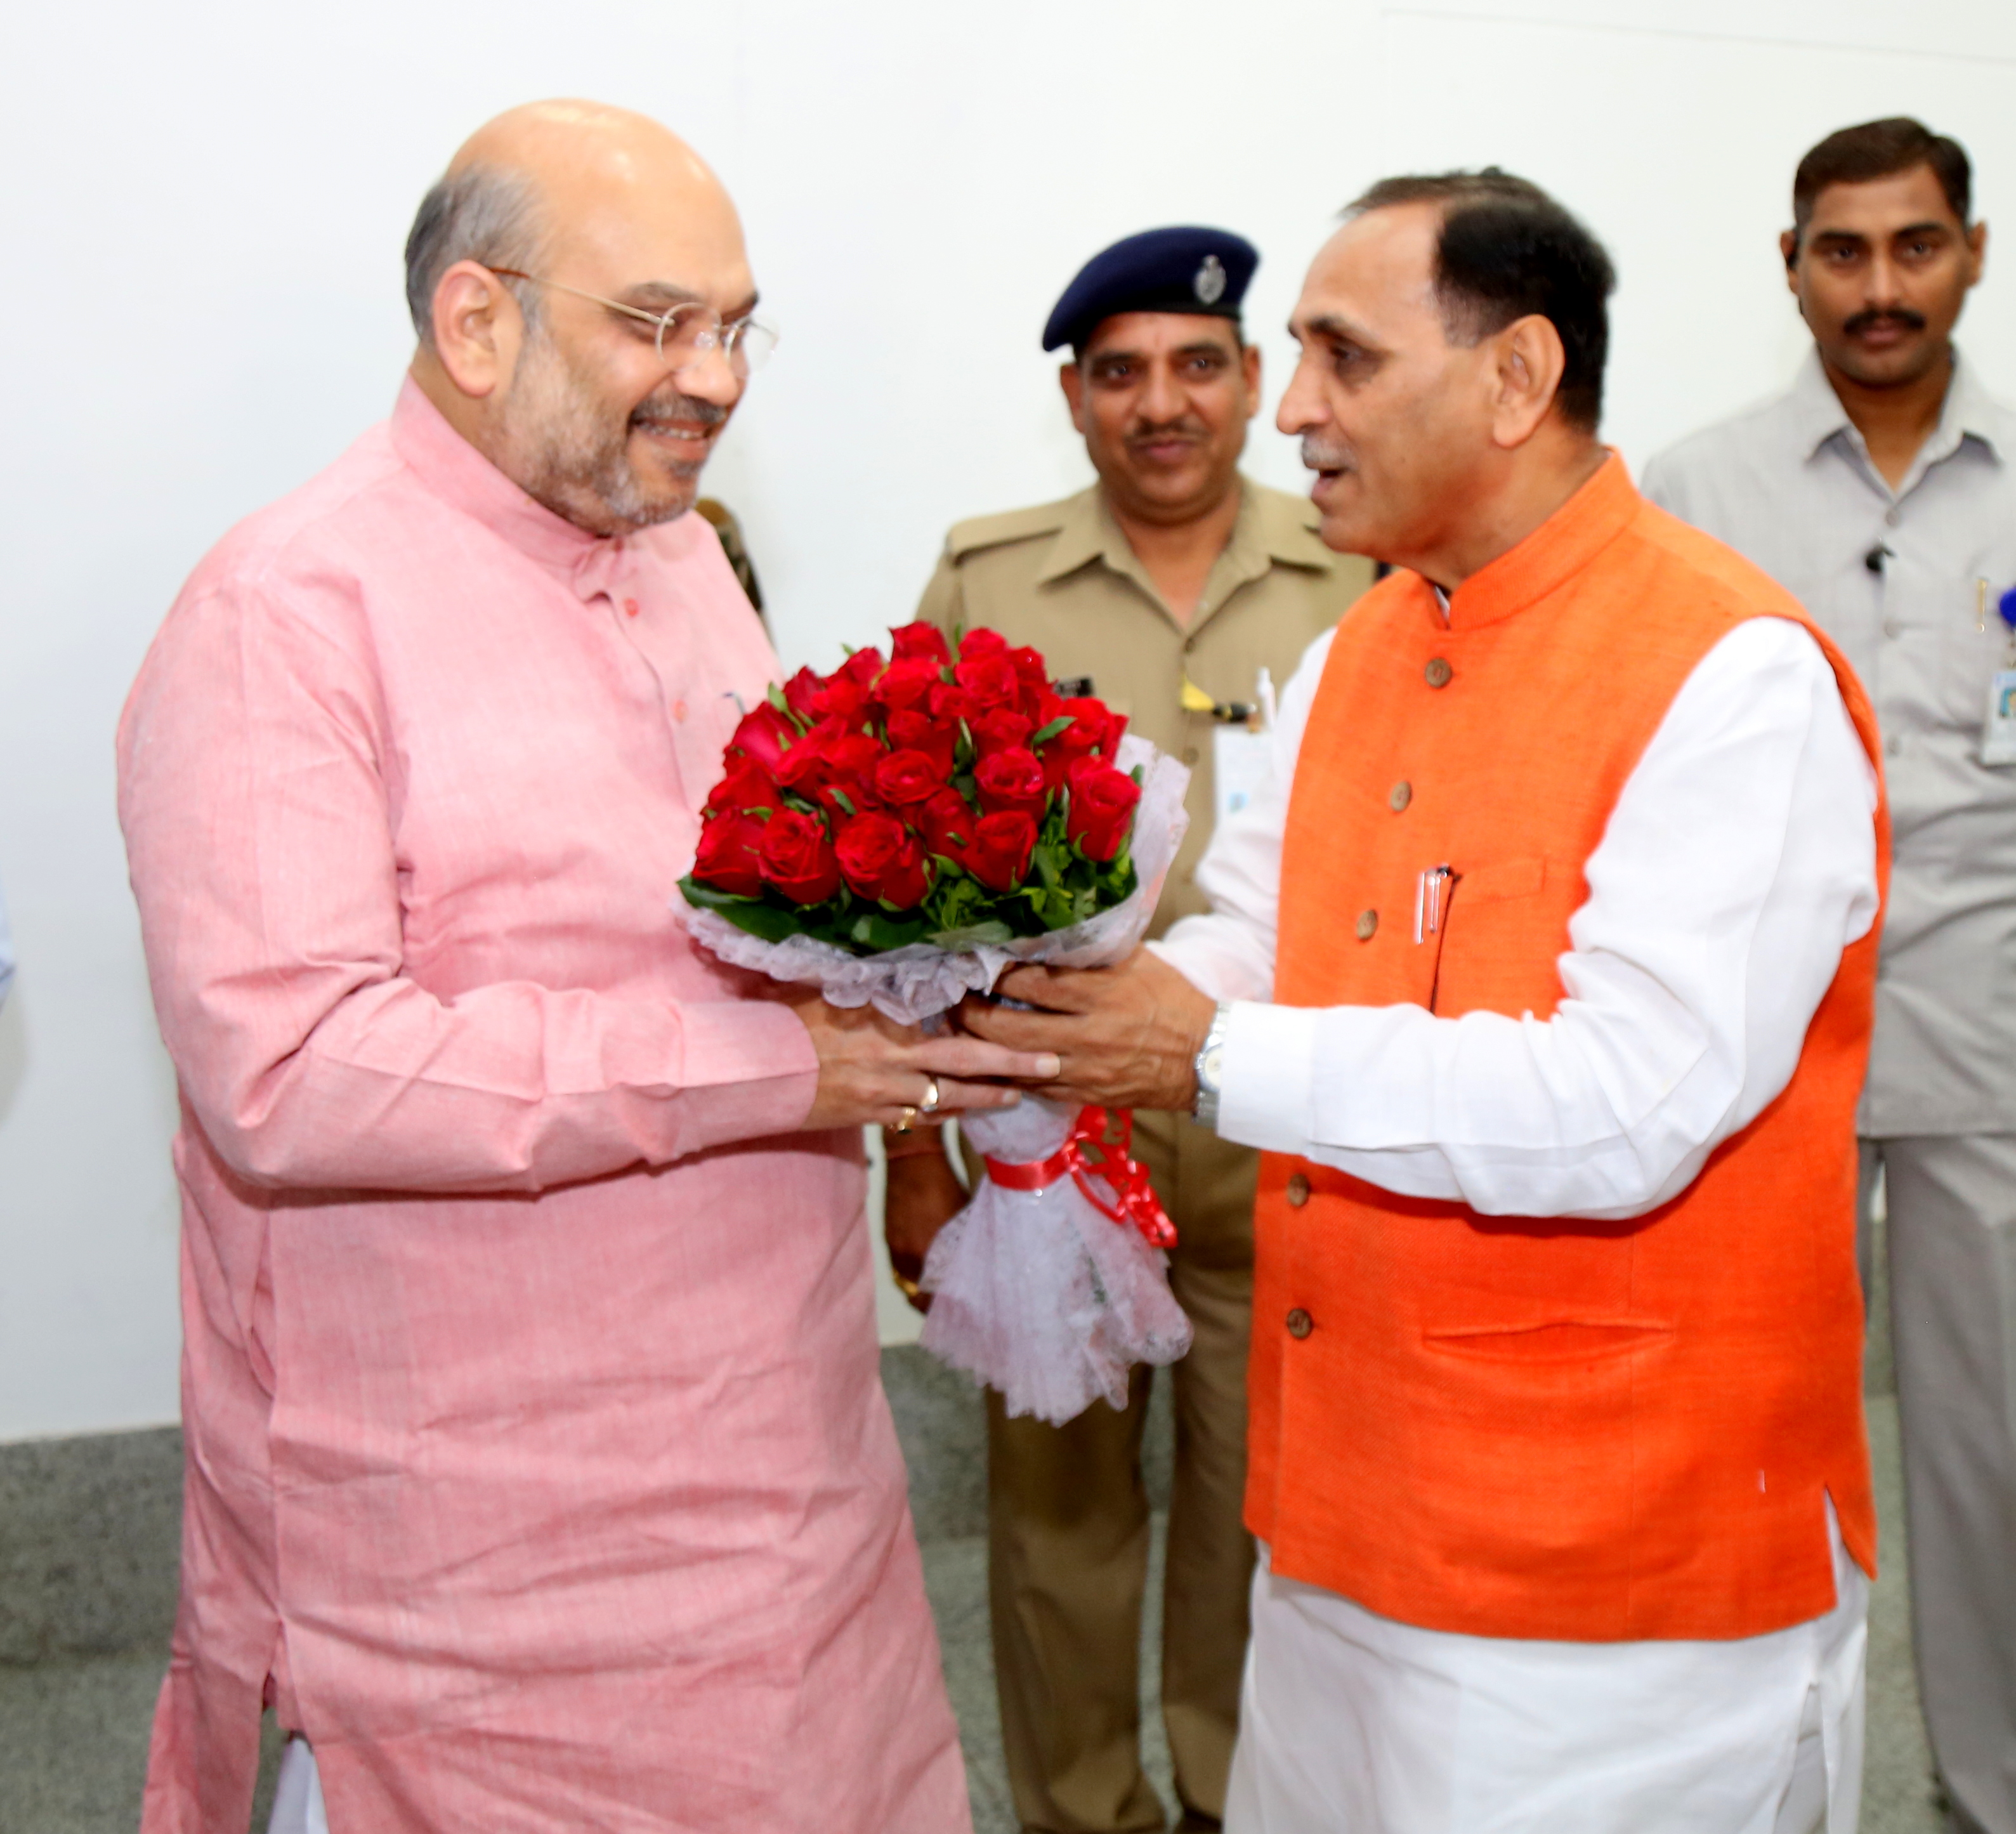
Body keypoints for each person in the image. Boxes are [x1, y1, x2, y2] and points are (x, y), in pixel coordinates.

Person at [117, 99, 1054, 1833]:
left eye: (735, 326)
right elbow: (291, 1070)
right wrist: (782, 1072)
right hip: (485, 1594)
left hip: (789, 1520)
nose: (717, 375)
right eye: (656, 322)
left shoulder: (686, 564)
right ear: (477, 324)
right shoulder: (288, 611)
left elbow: (741, 940)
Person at [962, 168, 1888, 1833]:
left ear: (1514, 379)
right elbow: (1265, 925)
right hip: (1340, 1526)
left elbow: (1624, 1103)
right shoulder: (1368, 643)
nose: (1292, 407)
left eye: (1342, 358)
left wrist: (1205, 1048)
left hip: (1614, 1594)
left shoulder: (1730, 672)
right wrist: (1072, 1011)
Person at [887, 225, 1370, 1834]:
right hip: (1049, 1142)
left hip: (1292, 1132)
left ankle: (1243, 1799)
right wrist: (912, 1151)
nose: (1159, 404)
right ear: (1073, 397)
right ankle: (1085, 1814)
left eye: (1196, 366)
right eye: (1119, 373)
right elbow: (885, 898)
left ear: (1250, 385)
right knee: (1058, 1521)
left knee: (1267, 1508)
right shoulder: (987, 576)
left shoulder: (1363, 568)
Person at [1644, 117, 2016, 1834]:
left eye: (1914, 245)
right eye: (1842, 250)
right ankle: (1750, 1796)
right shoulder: (1689, 492)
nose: (1880, 286)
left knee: (1990, 1457)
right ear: (1788, 264)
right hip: (1756, 1061)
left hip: (1988, 1044)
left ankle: (1992, 1787)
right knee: (1740, 1448)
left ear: (1973, 253)